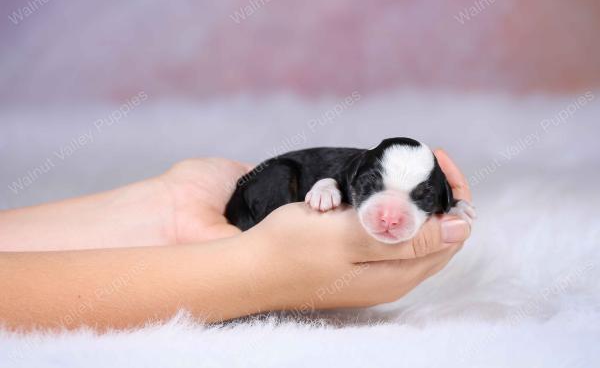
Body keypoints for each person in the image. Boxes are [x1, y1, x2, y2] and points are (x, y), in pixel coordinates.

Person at [0, 149, 472, 330]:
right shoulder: (343, 174)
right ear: (356, 177)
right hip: (273, 188)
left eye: (421, 199)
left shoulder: (377, 174)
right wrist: (254, 268)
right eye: (374, 190)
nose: (391, 217)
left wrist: (172, 206)